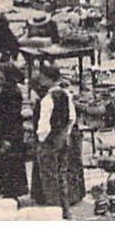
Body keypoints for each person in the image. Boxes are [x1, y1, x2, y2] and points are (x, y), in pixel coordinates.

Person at [30, 67, 83, 217]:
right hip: (63, 139)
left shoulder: (47, 99)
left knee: (49, 178)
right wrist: (65, 133)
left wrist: (41, 141)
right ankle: (66, 210)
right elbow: (72, 118)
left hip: (49, 142)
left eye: (42, 78)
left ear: (47, 79)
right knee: (62, 175)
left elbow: (44, 126)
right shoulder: (66, 94)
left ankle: (55, 211)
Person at [0, 63, 30, 201]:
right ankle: (7, 193)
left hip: (9, 132)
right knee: (2, 162)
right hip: (4, 130)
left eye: (1, 74)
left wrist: (7, 139)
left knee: (10, 163)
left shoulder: (12, 92)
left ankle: (11, 195)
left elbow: (12, 117)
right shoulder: (4, 89)